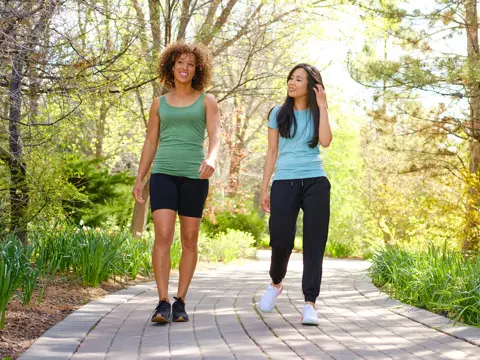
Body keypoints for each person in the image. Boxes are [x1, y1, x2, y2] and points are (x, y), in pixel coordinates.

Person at [132, 42, 220, 323]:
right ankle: (162, 302)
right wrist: (140, 176)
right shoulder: (159, 103)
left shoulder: (207, 101)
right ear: (171, 66)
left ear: (198, 70)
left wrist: (213, 158)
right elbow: (150, 141)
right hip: (164, 173)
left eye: (191, 64)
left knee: (190, 239)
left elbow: (216, 137)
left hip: (195, 176)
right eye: (180, 62)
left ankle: (181, 300)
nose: (185, 67)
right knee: (163, 234)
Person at [258, 63, 332, 325]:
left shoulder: (316, 112)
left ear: (310, 86)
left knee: (314, 243)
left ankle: (310, 303)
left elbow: (325, 141)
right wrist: (264, 186)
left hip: (315, 181)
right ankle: (276, 283)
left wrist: (323, 106)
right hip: (284, 181)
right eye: (290, 78)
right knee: (280, 240)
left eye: (298, 79)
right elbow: (271, 152)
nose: (291, 82)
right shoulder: (278, 113)